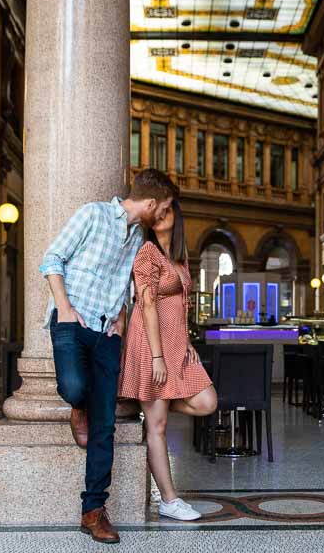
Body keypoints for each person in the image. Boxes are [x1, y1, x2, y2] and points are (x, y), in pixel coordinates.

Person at [40, 168, 177, 544]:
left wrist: (119, 321)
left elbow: (126, 287)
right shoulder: (92, 214)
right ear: (150, 203)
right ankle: (77, 406)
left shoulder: (137, 238)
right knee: (72, 387)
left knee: (105, 427)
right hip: (71, 322)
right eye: (163, 208)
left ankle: (93, 510)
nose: (163, 214)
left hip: (106, 335)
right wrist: (64, 309)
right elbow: (51, 259)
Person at [119, 198, 217, 522]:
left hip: (176, 345)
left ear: (176, 215)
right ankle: (169, 500)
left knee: (207, 401)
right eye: (157, 210)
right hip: (151, 345)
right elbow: (147, 305)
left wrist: (186, 341)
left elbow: (181, 306)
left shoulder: (179, 258)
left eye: (168, 209)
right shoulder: (147, 252)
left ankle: (146, 399)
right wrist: (158, 357)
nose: (162, 214)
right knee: (157, 426)